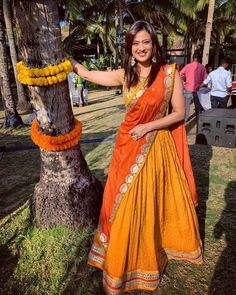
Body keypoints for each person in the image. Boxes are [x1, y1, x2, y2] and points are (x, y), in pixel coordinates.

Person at [66, 21, 202, 294]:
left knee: (149, 204)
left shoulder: (168, 74)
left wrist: (149, 126)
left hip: (155, 147)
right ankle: (121, 257)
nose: (141, 47)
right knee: (123, 203)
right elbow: (89, 74)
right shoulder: (124, 75)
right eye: (135, 43)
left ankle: (150, 256)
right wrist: (68, 60)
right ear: (129, 47)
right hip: (126, 148)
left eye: (146, 42)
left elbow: (178, 113)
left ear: (154, 45)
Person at [180, 53, 207, 121]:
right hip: (198, 88)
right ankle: (198, 118)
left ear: (193, 58)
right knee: (198, 105)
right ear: (199, 59)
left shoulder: (188, 66)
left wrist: (183, 82)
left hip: (188, 87)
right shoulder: (202, 67)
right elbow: (205, 79)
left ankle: (185, 119)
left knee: (187, 105)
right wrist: (200, 85)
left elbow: (180, 74)